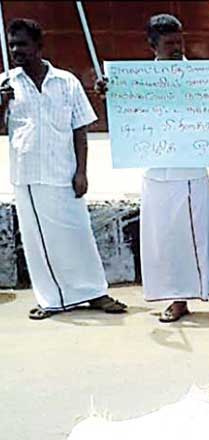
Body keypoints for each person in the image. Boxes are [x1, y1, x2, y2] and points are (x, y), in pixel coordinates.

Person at [95, 14, 209, 323]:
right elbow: (125, 119)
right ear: (153, 45)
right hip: (157, 173)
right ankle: (178, 299)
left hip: (192, 172)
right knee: (167, 240)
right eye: (169, 44)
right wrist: (110, 96)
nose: (176, 49)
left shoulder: (199, 78)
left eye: (179, 42)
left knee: (208, 237)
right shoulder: (137, 81)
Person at [0, 18, 126, 321]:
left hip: (64, 171)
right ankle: (52, 300)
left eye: (23, 44)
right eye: (12, 44)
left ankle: (95, 292)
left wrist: (82, 171)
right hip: (28, 174)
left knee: (78, 233)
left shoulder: (66, 81)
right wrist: (1, 104)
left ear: (39, 46)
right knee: (39, 241)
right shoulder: (6, 82)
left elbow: (80, 131)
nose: (17, 50)